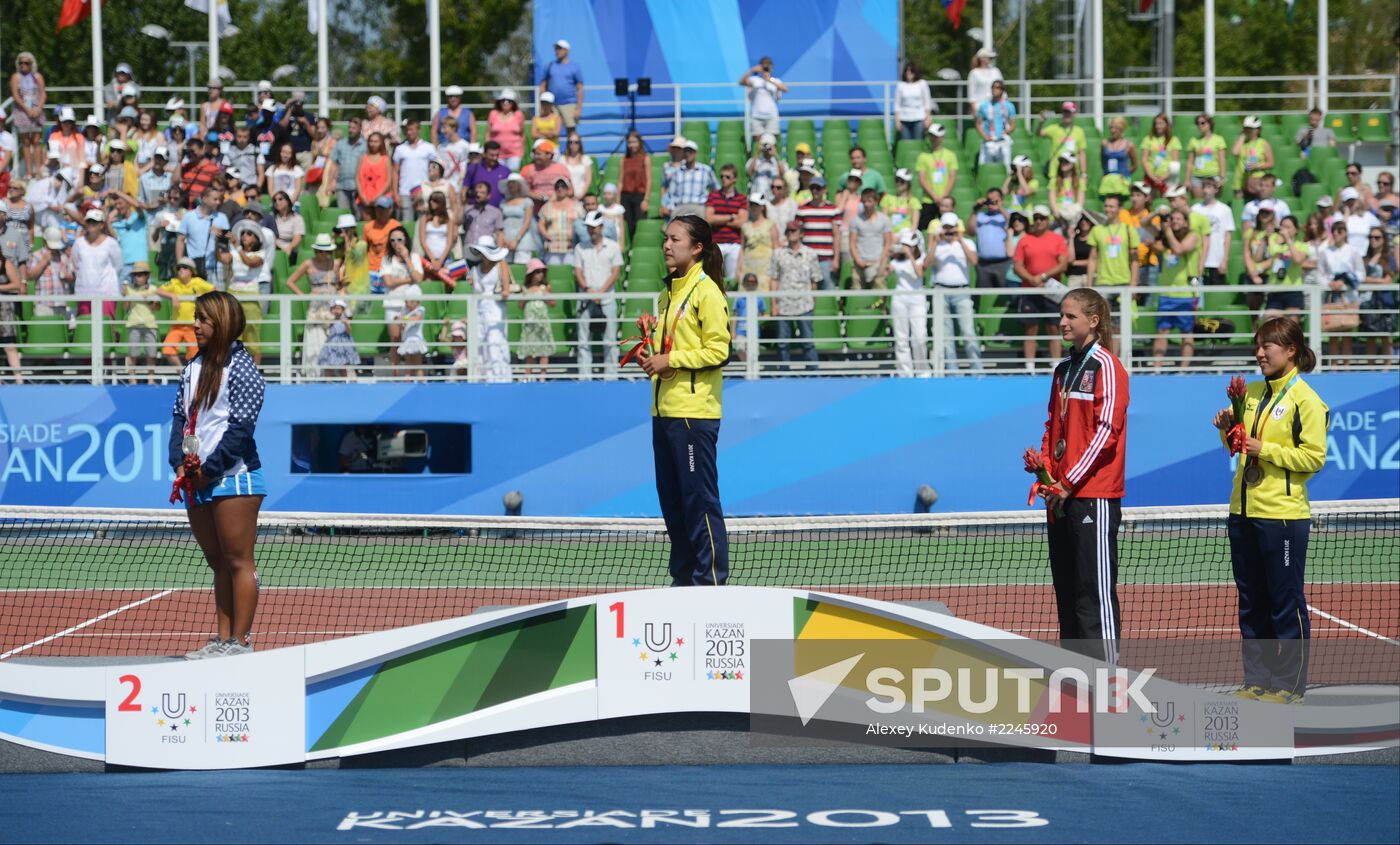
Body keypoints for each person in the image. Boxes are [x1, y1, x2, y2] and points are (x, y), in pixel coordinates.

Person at [1212, 317, 1326, 703]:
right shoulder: (1253, 392)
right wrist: (1227, 427)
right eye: (1257, 346)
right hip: (1243, 511)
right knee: (1252, 603)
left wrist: (1266, 450)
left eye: (1268, 347)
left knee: (1285, 604)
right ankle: (1256, 681)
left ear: (1291, 350)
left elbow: (1313, 458)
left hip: (1283, 516)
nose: (1259, 354)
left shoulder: (1306, 400)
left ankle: (1290, 687)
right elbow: (1238, 446)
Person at [1028, 287, 1129, 664]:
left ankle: (1106, 679)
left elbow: (1107, 431)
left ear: (1093, 320)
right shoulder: (1062, 370)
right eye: (1061, 315)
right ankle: (1075, 674)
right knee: (1067, 590)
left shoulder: (1107, 366)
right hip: (1061, 496)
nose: (1062, 322)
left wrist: (1068, 482)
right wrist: (1047, 475)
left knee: (1093, 591)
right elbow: (1053, 427)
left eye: (1070, 316)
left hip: (1094, 496)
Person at [172, 290, 266, 660]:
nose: (195, 324)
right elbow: (179, 418)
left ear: (223, 323)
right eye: (196, 316)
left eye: (203, 319)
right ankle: (222, 639)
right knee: (218, 563)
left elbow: (241, 430)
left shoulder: (243, 369)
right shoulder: (191, 368)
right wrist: (179, 464)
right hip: (197, 479)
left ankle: (240, 642)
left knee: (238, 560)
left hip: (234, 478)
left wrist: (209, 471)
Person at [639, 215, 731, 586]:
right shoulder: (667, 294)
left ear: (696, 248)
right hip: (664, 413)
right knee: (673, 505)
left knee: (699, 503)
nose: (666, 245)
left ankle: (709, 581)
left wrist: (670, 359)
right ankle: (682, 580)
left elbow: (719, 350)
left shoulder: (707, 292)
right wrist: (651, 349)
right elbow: (675, 347)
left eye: (675, 239)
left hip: (694, 416)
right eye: (665, 239)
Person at [1012, 206, 1069, 369]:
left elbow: (1063, 264)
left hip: (1051, 290)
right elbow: (1017, 265)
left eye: (1042, 218)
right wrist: (1031, 279)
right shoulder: (1025, 240)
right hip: (1030, 290)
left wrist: (1043, 277)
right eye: (1036, 218)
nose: (1038, 221)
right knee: (1030, 327)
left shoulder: (1057, 239)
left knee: (1054, 327)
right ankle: (1030, 366)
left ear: (1048, 220)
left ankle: (1056, 365)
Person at [930, 213, 982, 373]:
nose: (948, 230)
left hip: (962, 290)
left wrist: (960, 240)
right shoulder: (937, 245)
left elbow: (974, 261)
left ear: (957, 227)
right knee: (946, 335)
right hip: (941, 292)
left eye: (951, 227)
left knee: (968, 332)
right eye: (945, 227)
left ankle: (977, 369)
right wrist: (935, 243)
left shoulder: (967, 242)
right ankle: (952, 370)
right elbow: (926, 264)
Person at [1150, 209, 1202, 369]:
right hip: (1166, 294)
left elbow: (1179, 249)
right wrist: (1156, 213)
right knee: (1162, 331)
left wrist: (1167, 231)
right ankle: (1157, 368)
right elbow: (1144, 224)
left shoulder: (1194, 235)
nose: (1175, 221)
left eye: (1179, 218)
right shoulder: (1166, 235)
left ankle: (1183, 369)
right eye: (1172, 218)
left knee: (1186, 333)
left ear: (1186, 222)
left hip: (1186, 293)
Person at [573, 210, 623, 377]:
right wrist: (588, 290)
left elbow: (615, 272)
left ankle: (611, 377)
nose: (591, 230)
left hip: (607, 299)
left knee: (610, 341)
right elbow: (578, 272)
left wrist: (600, 292)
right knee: (583, 341)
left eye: (594, 227)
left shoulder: (613, 246)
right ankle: (584, 377)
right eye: (589, 227)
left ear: (601, 227)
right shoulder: (580, 248)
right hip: (586, 299)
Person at [287, 233, 343, 378]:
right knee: (315, 339)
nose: (323, 254)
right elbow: (290, 282)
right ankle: (315, 374)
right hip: (316, 308)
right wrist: (303, 296)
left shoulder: (335, 264)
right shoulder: (308, 263)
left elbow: (339, 284)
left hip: (332, 306)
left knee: (333, 338)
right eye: (320, 250)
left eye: (326, 251)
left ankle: (332, 375)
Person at [770, 220, 821, 368]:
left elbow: (814, 281)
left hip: (804, 304)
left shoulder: (810, 254)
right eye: (788, 231)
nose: (790, 233)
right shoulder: (778, 254)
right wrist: (774, 304)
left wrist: (813, 302)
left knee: (808, 342)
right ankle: (783, 374)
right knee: (782, 343)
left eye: (793, 231)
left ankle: (813, 373)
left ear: (801, 234)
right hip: (783, 303)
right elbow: (774, 279)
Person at [466, 236, 512, 382]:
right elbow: (474, 291)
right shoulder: (475, 269)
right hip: (479, 310)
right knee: (479, 343)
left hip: (495, 309)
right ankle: (481, 379)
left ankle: (499, 380)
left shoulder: (501, 265)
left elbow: (506, 290)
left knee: (495, 341)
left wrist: (504, 292)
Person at [1318, 219, 1363, 362]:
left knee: (1347, 331)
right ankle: (1334, 367)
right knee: (1333, 332)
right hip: (1331, 295)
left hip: (1348, 296)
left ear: (1345, 233)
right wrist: (1330, 283)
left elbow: (1360, 273)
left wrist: (1344, 282)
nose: (1337, 234)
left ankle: (1346, 366)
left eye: (1340, 231)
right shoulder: (1326, 252)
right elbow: (1320, 274)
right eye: (1334, 231)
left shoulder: (1353, 251)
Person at [381, 226, 424, 377]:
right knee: (395, 339)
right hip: (393, 304)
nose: (396, 243)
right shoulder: (387, 259)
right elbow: (389, 283)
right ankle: (395, 373)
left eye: (399, 239)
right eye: (392, 240)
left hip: (411, 306)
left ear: (406, 240)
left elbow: (418, 279)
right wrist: (408, 279)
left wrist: (407, 258)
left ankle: (410, 373)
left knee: (410, 339)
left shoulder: (414, 257)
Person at [889, 227, 933, 376]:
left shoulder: (921, 257)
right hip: (899, 300)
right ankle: (905, 373)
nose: (905, 247)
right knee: (901, 338)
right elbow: (882, 271)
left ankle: (922, 372)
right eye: (904, 245)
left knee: (919, 337)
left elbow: (919, 273)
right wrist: (887, 250)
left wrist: (910, 256)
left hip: (917, 300)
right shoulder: (897, 259)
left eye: (908, 245)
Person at [1360, 226, 1396, 365]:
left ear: (1384, 240)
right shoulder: (1365, 258)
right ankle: (1370, 366)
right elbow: (1361, 278)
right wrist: (1377, 281)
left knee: (1386, 337)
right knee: (1370, 337)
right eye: (1370, 237)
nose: (1373, 240)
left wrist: (1369, 280)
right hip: (1368, 301)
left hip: (1385, 301)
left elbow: (1388, 281)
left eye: (1377, 237)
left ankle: (1388, 367)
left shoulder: (1389, 258)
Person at [796, 176, 840, 289]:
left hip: (826, 258)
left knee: (828, 288)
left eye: (818, 188)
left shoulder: (833, 209)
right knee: (807, 289)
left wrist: (836, 259)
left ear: (824, 189)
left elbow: (836, 235)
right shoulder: (802, 210)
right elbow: (798, 235)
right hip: (807, 258)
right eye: (812, 188)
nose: (815, 191)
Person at [705, 164, 748, 281]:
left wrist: (718, 219)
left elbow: (741, 223)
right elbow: (709, 218)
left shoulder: (742, 198)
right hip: (716, 243)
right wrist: (731, 217)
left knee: (732, 279)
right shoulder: (713, 195)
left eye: (727, 177)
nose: (724, 179)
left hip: (734, 243)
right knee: (712, 279)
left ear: (735, 179)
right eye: (722, 176)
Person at [121, 261, 161, 383]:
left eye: (141, 274)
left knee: (151, 353)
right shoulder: (129, 289)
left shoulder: (153, 289)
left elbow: (158, 307)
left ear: (147, 276)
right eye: (136, 274)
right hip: (133, 324)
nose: (138, 277)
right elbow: (125, 307)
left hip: (150, 324)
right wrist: (126, 295)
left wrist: (151, 301)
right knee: (133, 353)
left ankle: (151, 379)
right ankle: (133, 379)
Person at [516, 259, 556, 380]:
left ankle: (543, 375)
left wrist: (546, 297)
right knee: (530, 350)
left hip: (542, 322)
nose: (541, 274)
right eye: (537, 271)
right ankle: (527, 375)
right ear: (531, 274)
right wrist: (524, 297)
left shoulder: (546, 287)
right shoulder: (525, 288)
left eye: (542, 271)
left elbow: (553, 303)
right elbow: (520, 306)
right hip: (529, 323)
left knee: (544, 349)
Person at [10, 53, 47, 180]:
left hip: (36, 111)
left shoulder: (38, 77)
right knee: (25, 142)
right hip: (22, 112)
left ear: (32, 64)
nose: (23, 65)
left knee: (36, 141)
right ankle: (28, 172)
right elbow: (15, 95)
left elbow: (43, 94)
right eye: (21, 63)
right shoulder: (16, 77)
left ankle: (37, 170)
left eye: (26, 63)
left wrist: (37, 108)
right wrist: (27, 109)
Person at [1192, 178, 1235, 285]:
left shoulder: (1225, 210)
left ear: (1216, 190)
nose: (1206, 190)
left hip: (1217, 259)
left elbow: (1227, 237)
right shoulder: (1195, 209)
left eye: (1209, 187)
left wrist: (1225, 260)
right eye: (1204, 187)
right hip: (1198, 259)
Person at [661, 140, 718, 219]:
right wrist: (668, 206)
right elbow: (671, 193)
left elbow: (716, 188)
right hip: (680, 206)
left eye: (690, 151)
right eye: (685, 151)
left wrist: (711, 205)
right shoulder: (677, 172)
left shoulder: (706, 170)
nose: (688, 154)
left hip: (699, 206)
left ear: (695, 153)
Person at [392, 118, 434, 225]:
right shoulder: (400, 149)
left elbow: (435, 169)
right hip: (405, 192)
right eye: (407, 130)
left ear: (418, 130)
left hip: (424, 191)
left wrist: (432, 187)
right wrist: (395, 193)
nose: (409, 132)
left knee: (424, 223)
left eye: (411, 130)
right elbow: (395, 172)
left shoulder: (429, 148)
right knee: (406, 224)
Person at [849, 188, 892, 290]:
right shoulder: (855, 220)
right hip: (860, 263)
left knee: (879, 294)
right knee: (857, 292)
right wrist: (858, 260)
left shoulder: (884, 219)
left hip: (878, 263)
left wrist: (882, 259)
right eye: (864, 202)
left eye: (869, 201)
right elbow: (852, 242)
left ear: (876, 202)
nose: (866, 204)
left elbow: (888, 242)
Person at [740, 56, 787, 148]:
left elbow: (785, 89)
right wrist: (751, 70)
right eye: (764, 66)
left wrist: (768, 80)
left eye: (768, 66)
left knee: (772, 142)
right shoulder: (755, 80)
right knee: (759, 144)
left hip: (771, 116)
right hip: (757, 116)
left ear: (771, 67)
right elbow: (741, 82)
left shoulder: (775, 81)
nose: (766, 68)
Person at [540, 39, 585, 129]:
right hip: (552, 105)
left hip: (569, 104)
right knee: (551, 129)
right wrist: (542, 105)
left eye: (560, 48)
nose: (557, 51)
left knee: (571, 130)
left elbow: (580, 88)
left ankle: (571, 144)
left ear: (567, 50)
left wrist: (578, 109)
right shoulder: (550, 65)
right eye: (556, 49)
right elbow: (543, 85)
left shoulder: (574, 67)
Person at [327, 116, 366, 213]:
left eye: (353, 128)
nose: (350, 130)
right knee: (343, 214)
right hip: (342, 186)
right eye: (349, 127)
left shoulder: (366, 145)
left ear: (360, 129)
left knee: (358, 214)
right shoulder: (340, 144)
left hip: (359, 187)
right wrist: (331, 182)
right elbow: (335, 164)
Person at [1185, 114, 1228, 199]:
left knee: (1213, 203)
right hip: (1197, 176)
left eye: (1202, 123)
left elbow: (1222, 159)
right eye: (1198, 123)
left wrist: (1222, 177)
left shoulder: (1218, 139)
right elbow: (1190, 162)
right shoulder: (1194, 140)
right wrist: (1187, 179)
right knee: (1198, 203)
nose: (1200, 125)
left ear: (1209, 124)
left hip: (1213, 175)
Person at [1232, 116, 1274, 201]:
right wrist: (1242, 135)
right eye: (1247, 128)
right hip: (1240, 181)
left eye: (1251, 128)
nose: (1249, 130)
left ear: (1258, 130)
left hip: (1257, 181)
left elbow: (1271, 163)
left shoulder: (1263, 143)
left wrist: (1257, 166)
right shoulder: (1243, 143)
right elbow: (1235, 152)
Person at [740, 195, 778, 290]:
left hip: (766, 268)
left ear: (762, 206)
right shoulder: (745, 226)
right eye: (751, 204)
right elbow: (742, 249)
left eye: (756, 204)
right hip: (748, 267)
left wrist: (776, 269)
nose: (753, 207)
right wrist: (738, 269)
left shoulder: (771, 224)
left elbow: (776, 248)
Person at [975, 79, 1016, 167]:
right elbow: (978, 123)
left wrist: (1005, 132)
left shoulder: (1009, 106)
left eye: (997, 87)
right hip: (988, 141)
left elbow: (1013, 125)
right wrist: (984, 136)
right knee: (985, 167)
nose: (995, 89)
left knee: (1005, 168)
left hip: (1002, 141)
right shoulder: (984, 106)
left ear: (1002, 90)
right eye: (993, 87)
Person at [1039, 102, 1087, 176]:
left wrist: (1084, 173)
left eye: (1069, 112)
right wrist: (1041, 123)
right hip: (1055, 172)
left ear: (1074, 114)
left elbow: (1082, 153)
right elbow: (1039, 133)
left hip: (1073, 173)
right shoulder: (1054, 128)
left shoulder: (1079, 131)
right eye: (1065, 112)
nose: (1067, 115)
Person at [619, 130, 651, 237]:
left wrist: (646, 200)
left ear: (639, 143)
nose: (632, 145)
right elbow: (620, 181)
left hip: (639, 195)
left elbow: (649, 181)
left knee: (639, 224)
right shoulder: (623, 160)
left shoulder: (645, 158)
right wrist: (618, 200)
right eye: (630, 142)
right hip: (625, 195)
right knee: (627, 224)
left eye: (634, 142)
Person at [501, 174, 539, 263]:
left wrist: (516, 240)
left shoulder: (527, 202)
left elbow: (527, 222)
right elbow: (500, 223)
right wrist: (504, 239)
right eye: (509, 183)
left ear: (519, 185)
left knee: (521, 269)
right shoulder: (503, 202)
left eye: (513, 183)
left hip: (523, 241)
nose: (511, 185)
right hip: (506, 241)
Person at [317, 300, 359, 379]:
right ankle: (328, 381)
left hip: (342, 346)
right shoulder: (330, 320)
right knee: (328, 365)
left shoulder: (345, 319)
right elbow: (326, 332)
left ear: (342, 310)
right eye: (334, 309)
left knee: (342, 366)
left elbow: (349, 331)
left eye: (338, 309)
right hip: (331, 345)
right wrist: (326, 326)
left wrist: (346, 324)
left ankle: (344, 381)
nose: (336, 311)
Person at [1140, 112, 1180, 195]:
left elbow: (1175, 163)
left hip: (1167, 179)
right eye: (1156, 123)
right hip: (1151, 178)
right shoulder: (1148, 139)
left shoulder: (1174, 140)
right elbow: (1144, 159)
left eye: (1160, 123)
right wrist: (1152, 177)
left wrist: (1163, 177)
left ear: (1166, 124)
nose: (1158, 126)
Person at [730, 273, 767, 361]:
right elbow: (735, 315)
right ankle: (748, 367)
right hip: (740, 331)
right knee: (739, 349)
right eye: (748, 282)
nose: (751, 284)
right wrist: (733, 331)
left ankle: (751, 371)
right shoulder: (739, 298)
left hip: (754, 330)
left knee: (753, 352)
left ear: (756, 284)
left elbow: (762, 313)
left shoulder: (760, 298)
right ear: (744, 284)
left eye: (753, 282)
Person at [465, 140, 512, 208]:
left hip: (498, 211)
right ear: (484, 154)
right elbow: (465, 189)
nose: (494, 158)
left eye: (497, 155)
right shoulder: (473, 168)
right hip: (475, 209)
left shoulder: (505, 171)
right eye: (492, 155)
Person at [1098, 118, 1138, 199]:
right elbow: (1103, 162)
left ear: (1122, 129)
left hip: (1121, 181)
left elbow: (1135, 165)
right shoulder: (1104, 144)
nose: (1113, 130)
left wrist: (1125, 174)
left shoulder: (1129, 145)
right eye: (1111, 127)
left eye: (1116, 128)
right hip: (1108, 180)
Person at [488, 89, 526, 170]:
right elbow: (488, 134)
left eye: (509, 101)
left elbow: (522, 135)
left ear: (513, 103)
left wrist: (522, 152)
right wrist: (487, 150)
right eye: (503, 100)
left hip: (515, 154)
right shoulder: (493, 114)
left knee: (512, 178)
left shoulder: (519, 115)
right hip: (497, 154)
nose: (506, 102)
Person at [895, 62, 935, 141]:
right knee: (906, 143)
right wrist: (897, 121)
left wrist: (928, 118)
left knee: (918, 141)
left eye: (911, 71)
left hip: (919, 118)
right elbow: (897, 105)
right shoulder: (901, 85)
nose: (908, 73)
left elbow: (927, 102)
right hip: (904, 119)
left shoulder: (922, 83)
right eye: (907, 71)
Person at [1049, 152, 1086, 222]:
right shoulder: (1053, 181)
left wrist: (1072, 217)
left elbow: (1080, 204)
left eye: (1066, 161)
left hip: (1073, 217)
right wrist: (1059, 216)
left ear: (1072, 164)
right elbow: (1053, 203)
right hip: (1058, 218)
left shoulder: (1080, 182)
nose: (1063, 163)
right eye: (1061, 161)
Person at [966, 47, 1003, 113]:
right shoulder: (974, 73)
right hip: (980, 107)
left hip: (996, 106)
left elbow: (1002, 88)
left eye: (991, 58)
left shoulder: (996, 71)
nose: (991, 59)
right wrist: (975, 112)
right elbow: (971, 95)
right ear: (981, 58)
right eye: (989, 57)